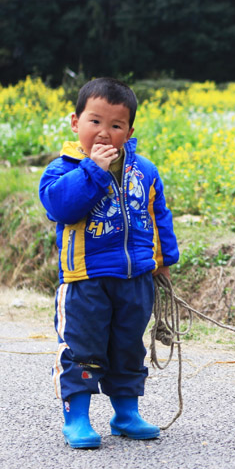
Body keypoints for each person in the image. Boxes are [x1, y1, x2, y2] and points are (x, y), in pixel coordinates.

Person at [39, 77, 179, 449]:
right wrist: (94, 171)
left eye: (116, 126)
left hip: (135, 279)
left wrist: (163, 261)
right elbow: (61, 207)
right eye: (95, 122)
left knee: (128, 346)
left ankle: (126, 413)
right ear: (75, 122)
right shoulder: (62, 170)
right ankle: (79, 419)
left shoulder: (144, 171)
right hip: (85, 280)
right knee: (82, 347)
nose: (104, 133)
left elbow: (157, 216)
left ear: (129, 131)